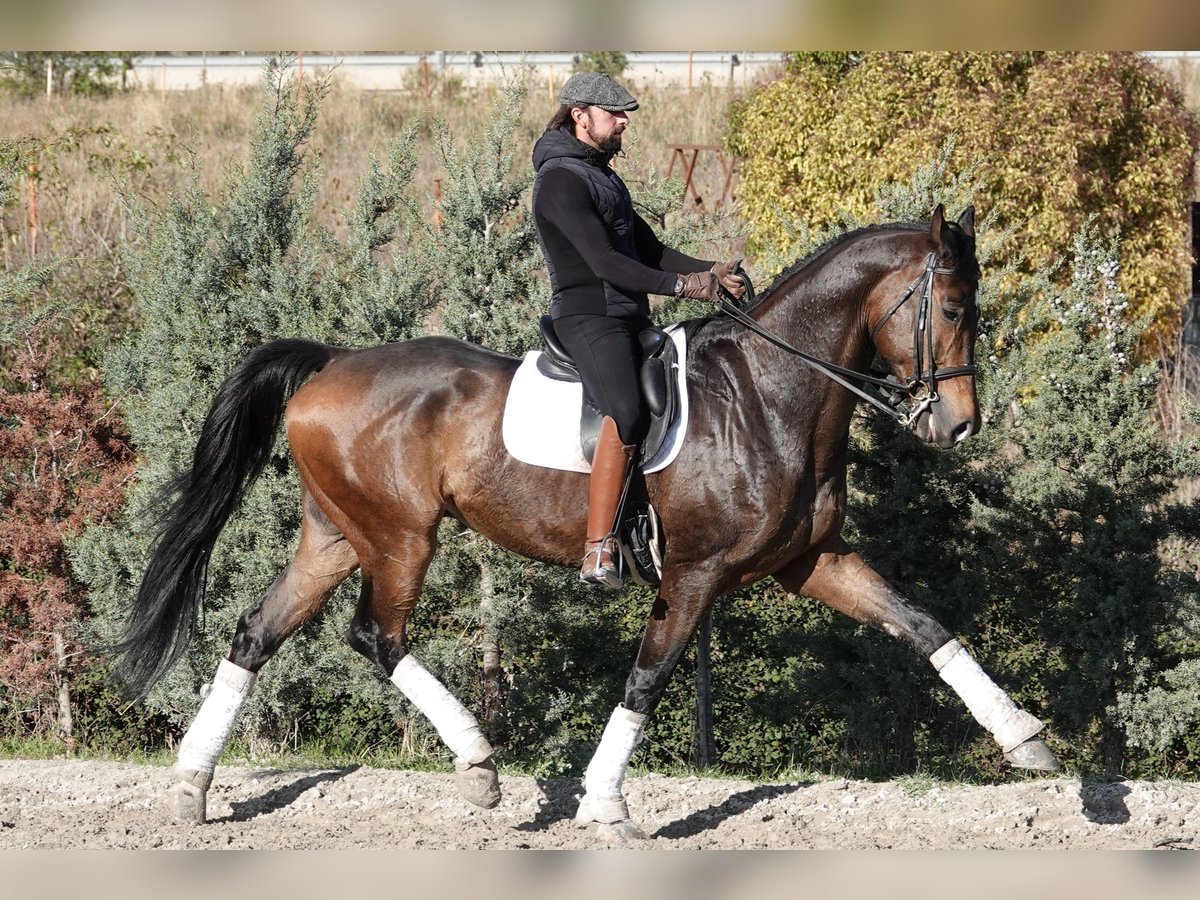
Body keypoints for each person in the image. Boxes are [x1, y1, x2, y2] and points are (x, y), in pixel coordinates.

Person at [531, 71, 746, 589]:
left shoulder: (603, 176)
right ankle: (599, 547)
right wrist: (685, 286)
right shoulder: (560, 180)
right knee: (625, 411)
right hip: (587, 317)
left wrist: (711, 269)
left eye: (624, 113)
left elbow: (646, 252)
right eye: (614, 114)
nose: (624, 121)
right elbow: (605, 262)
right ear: (580, 116)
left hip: (627, 315)